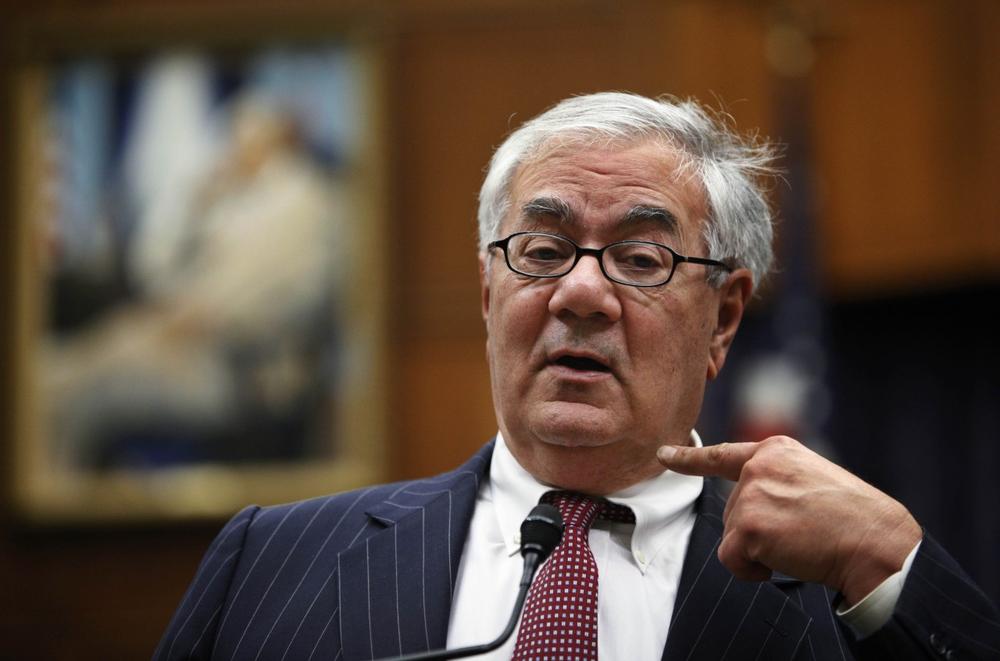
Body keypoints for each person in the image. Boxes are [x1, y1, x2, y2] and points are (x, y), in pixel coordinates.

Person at [154, 93, 1000, 660]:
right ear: (491, 291)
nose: (582, 291)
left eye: (640, 257)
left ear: (725, 316)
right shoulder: (269, 560)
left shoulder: (850, 590)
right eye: (544, 250)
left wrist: (900, 567)